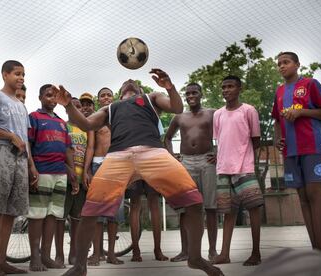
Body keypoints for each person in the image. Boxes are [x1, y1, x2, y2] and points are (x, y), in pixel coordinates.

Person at [55, 69, 223, 276]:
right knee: (90, 210)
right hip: (117, 156)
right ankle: (80, 266)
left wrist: (169, 87)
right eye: (125, 82)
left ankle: (195, 258)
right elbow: (86, 123)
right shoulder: (112, 107)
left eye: (133, 81)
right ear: (120, 93)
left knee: (195, 202)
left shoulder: (151, 98)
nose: (129, 81)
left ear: (140, 90)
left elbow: (177, 107)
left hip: (153, 152)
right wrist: (68, 105)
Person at [272, 52, 321, 254]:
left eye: (286, 62)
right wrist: (277, 138)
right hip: (291, 151)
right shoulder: (279, 91)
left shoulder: (310, 84)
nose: (282, 66)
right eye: (279, 63)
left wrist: (302, 112)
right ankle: (315, 250)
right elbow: (276, 120)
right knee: (303, 198)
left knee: (315, 195)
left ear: (297, 64)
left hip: (312, 148)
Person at [0, 60, 39, 276]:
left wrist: (32, 166)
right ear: (4, 74)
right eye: (17, 73)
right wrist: (10, 136)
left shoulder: (22, 106)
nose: (21, 77)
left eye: (23, 74)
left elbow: (25, 138)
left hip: (21, 159)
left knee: (11, 212)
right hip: (1, 152)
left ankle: (1, 260)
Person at [212, 75, 263, 266]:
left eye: (230, 86)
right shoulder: (218, 114)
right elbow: (220, 141)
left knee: (253, 208)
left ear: (239, 88)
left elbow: (255, 139)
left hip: (244, 167)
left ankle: (256, 253)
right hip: (223, 169)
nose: (226, 90)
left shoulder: (249, 110)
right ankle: (224, 253)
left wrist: (243, 156)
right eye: (224, 87)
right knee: (228, 212)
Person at [164, 83, 218, 262]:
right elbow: (168, 138)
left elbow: (226, 132)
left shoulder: (212, 113)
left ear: (201, 94)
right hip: (186, 161)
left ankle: (212, 251)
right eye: (188, 93)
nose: (191, 96)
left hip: (207, 160)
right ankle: (185, 251)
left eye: (194, 92)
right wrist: (173, 158)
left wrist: (219, 153)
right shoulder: (179, 116)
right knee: (186, 209)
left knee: (210, 207)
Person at [27, 84, 77, 271]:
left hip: (60, 174)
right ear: (40, 97)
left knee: (53, 215)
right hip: (41, 171)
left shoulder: (62, 122)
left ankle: (46, 256)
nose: (52, 99)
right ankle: (34, 257)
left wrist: (71, 171)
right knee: (37, 214)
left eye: (54, 96)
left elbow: (67, 149)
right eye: (48, 95)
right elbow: (28, 146)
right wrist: (31, 169)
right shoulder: (34, 117)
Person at [82, 88, 125, 266]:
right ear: (98, 100)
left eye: (108, 94)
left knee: (114, 213)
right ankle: (96, 253)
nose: (106, 97)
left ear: (113, 98)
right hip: (98, 165)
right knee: (97, 213)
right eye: (102, 95)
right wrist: (86, 170)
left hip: (117, 165)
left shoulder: (120, 118)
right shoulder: (97, 119)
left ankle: (111, 254)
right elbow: (91, 146)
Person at [60, 96, 89, 265]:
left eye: (79, 106)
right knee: (60, 217)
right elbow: (61, 150)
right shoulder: (63, 126)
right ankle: (59, 254)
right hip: (66, 178)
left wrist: (86, 173)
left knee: (77, 219)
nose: (77, 109)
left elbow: (89, 152)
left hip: (81, 178)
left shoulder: (86, 129)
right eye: (73, 106)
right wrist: (67, 169)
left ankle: (74, 252)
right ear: (67, 108)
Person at [128, 179, 169, 262]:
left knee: (136, 204)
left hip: (135, 168)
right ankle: (156, 251)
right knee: (153, 203)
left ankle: (137, 252)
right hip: (149, 167)